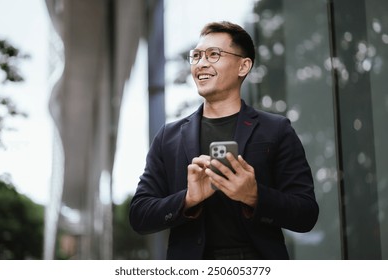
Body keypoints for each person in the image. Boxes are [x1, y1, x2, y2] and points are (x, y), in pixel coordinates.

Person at [129, 21, 319, 260]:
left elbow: (307, 213)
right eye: (196, 56)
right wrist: (188, 199)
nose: (201, 63)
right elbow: (139, 215)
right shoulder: (169, 136)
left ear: (243, 66)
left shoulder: (276, 130)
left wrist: (253, 195)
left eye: (213, 54)